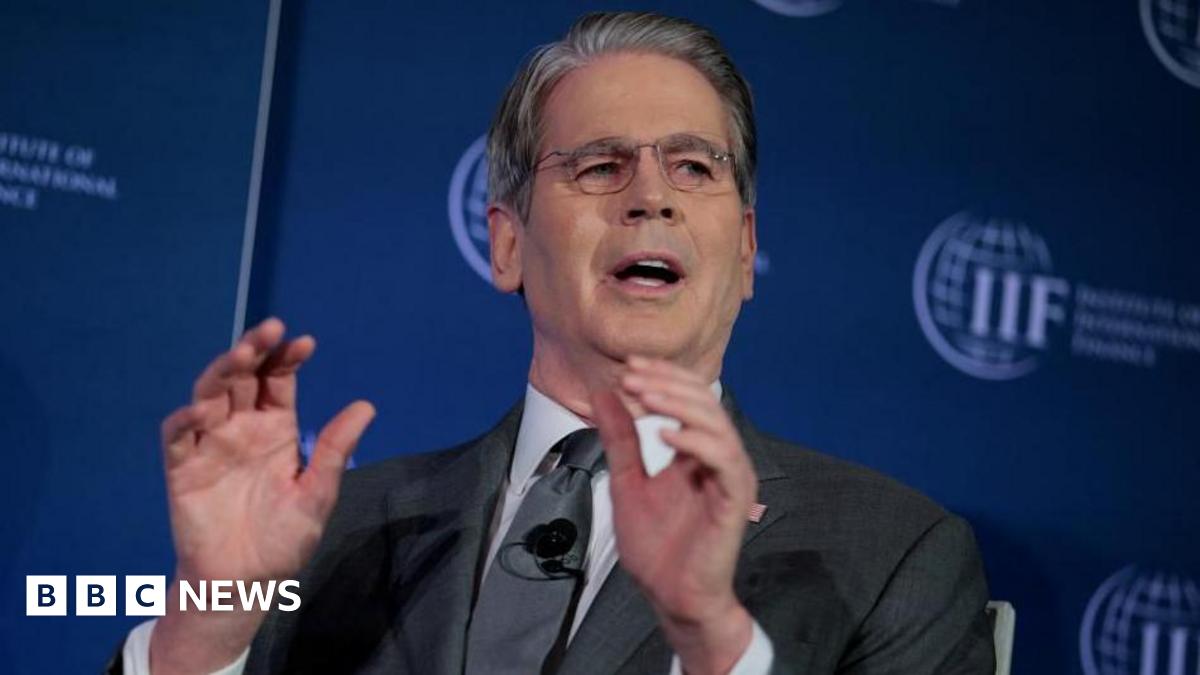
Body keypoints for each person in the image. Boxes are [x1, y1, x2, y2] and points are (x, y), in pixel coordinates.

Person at [114, 11, 995, 675]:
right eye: (600, 165)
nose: (653, 196)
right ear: (506, 244)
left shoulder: (892, 555)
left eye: (695, 167)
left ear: (747, 251)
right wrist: (207, 623)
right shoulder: (335, 532)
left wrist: (711, 636)